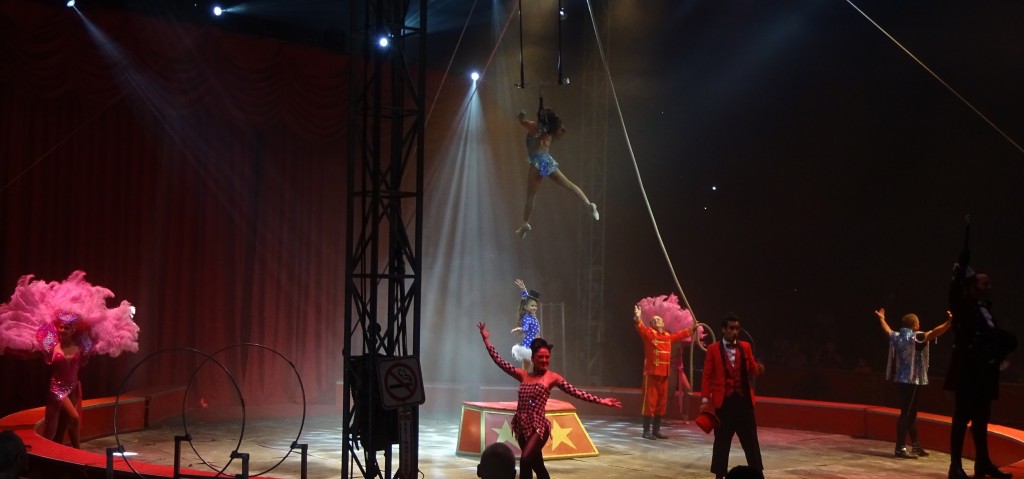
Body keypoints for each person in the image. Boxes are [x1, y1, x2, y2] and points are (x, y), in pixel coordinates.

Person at [0, 271, 139, 449]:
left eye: (66, 328)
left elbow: (102, 343)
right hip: (57, 389)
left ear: (73, 330)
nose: (62, 330)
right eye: (61, 327)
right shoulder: (50, 344)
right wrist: (7, 346)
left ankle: (66, 455)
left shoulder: (83, 346)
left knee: (65, 425)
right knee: (73, 418)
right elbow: (29, 354)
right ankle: (77, 452)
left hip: (74, 387)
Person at [478, 322, 621, 479]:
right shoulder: (523, 375)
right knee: (537, 465)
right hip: (521, 427)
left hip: (539, 428)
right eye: (540, 357)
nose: (545, 360)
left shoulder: (553, 378)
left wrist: (602, 401)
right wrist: (486, 341)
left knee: (525, 460)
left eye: (547, 357)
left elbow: (576, 392)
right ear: (532, 358)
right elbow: (500, 362)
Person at [945, 248, 1016, 479]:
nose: (989, 286)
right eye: (984, 283)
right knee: (961, 417)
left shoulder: (984, 308)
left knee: (982, 419)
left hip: (984, 372)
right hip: (968, 371)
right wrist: (960, 266)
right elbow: (954, 291)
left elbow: (992, 336)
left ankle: (982, 463)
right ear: (973, 285)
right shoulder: (963, 304)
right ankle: (955, 466)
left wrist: (1006, 344)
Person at [873, 307, 952, 459]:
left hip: (901, 380)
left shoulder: (898, 336)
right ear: (915, 325)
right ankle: (900, 447)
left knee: (911, 413)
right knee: (906, 413)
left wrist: (882, 319)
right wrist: (949, 322)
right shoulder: (915, 337)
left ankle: (915, 445)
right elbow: (935, 332)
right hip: (911, 380)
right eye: (918, 324)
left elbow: (887, 330)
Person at [513, 107, 599, 238]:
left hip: (537, 162)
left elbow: (522, 121)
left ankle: (525, 223)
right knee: (568, 184)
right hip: (546, 159)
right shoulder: (548, 133)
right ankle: (588, 204)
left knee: (531, 195)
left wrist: (521, 115)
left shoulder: (535, 127)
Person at [701, 314, 764, 479]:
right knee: (722, 442)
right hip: (724, 403)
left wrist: (758, 369)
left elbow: (752, 367)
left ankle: (758, 474)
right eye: (731, 328)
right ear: (723, 329)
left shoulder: (745, 347)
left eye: (737, 328)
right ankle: (719, 475)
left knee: (751, 441)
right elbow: (707, 375)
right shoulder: (713, 349)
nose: (734, 331)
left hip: (744, 403)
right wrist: (705, 399)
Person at [632, 304, 693, 439]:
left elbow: (679, 335)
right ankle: (646, 430)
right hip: (652, 374)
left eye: (658, 319)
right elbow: (640, 327)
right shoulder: (649, 334)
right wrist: (637, 318)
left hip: (664, 374)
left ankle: (656, 430)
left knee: (661, 403)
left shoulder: (667, 336)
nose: (655, 321)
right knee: (650, 402)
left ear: (663, 323)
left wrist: (691, 330)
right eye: (653, 320)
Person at [510, 279, 541, 370]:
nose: (534, 307)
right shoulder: (527, 318)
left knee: (535, 367)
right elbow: (525, 328)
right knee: (526, 369)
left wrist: (524, 289)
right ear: (526, 307)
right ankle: (524, 382)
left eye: (535, 306)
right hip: (529, 344)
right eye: (532, 306)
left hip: (535, 342)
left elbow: (527, 300)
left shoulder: (532, 316)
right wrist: (519, 329)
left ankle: (530, 381)